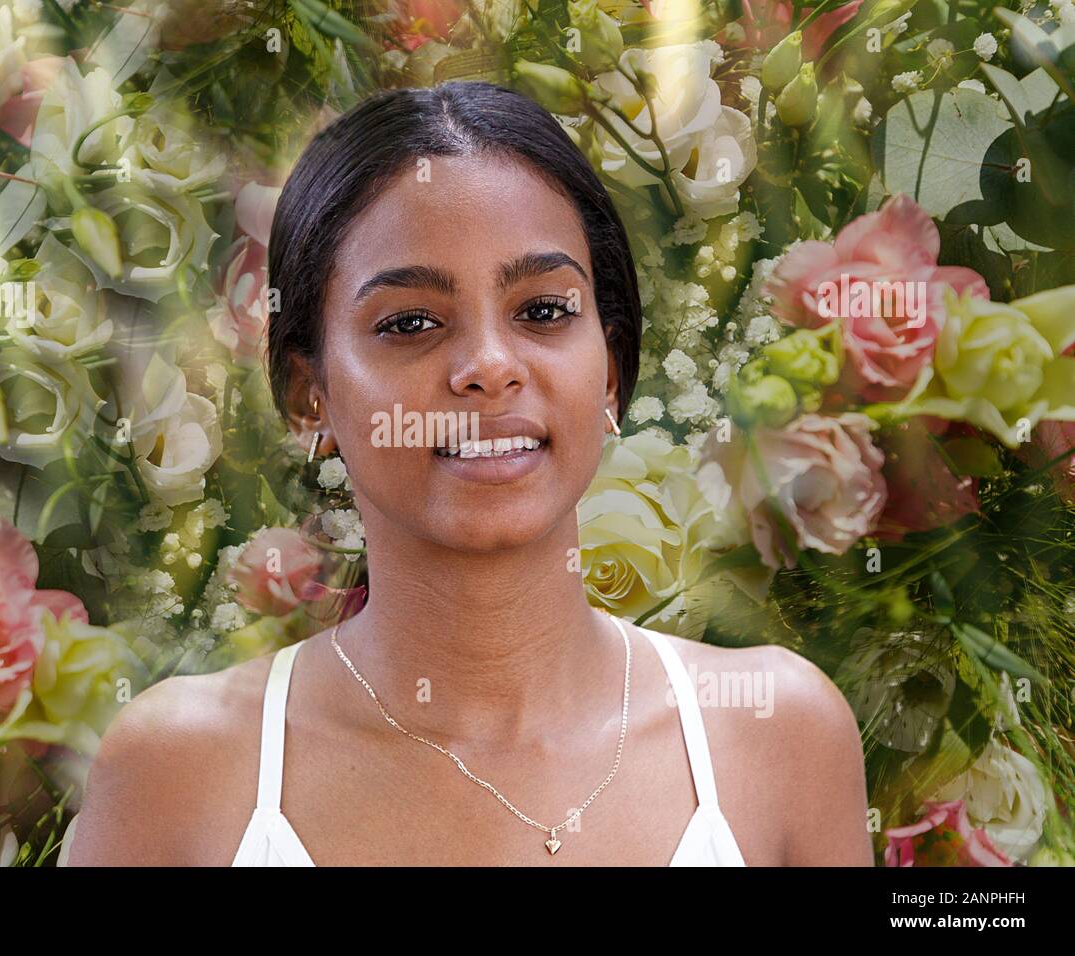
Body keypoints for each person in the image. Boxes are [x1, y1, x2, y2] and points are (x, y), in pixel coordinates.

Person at [63, 80, 874, 866]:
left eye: (544, 311)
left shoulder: (777, 735)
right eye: (411, 322)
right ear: (310, 397)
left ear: (612, 372)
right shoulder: (183, 770)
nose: (490, 366)